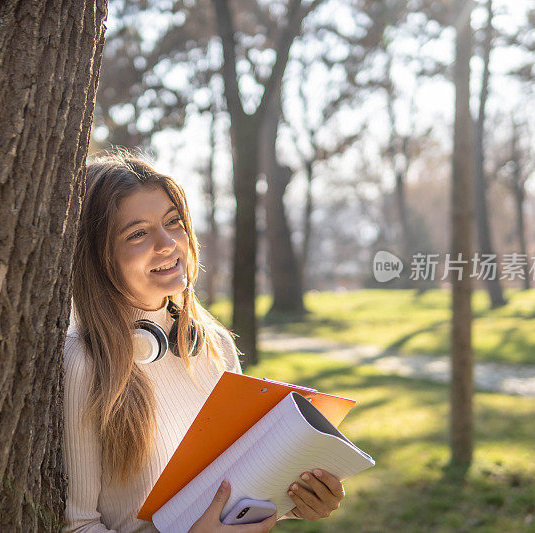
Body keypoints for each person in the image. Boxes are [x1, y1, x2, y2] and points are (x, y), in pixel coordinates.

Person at [62, 154, 345, 532]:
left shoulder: (213, 344)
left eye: (173, 222)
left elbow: (239, 483)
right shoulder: (84, 362)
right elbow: (78, 526)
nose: (167, 244)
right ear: (99, 257)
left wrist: (300, 500)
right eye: (137, 233)